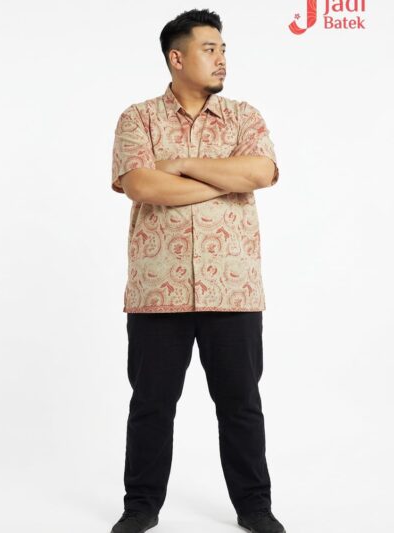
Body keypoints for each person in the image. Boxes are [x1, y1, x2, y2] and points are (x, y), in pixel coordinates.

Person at [109, 8, 286, 533]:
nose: (222, 58)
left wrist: (182, 167)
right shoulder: (138, 119)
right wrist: (224, 181)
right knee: (151, 405)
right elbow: (141, 185)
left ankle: (254, 507)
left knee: (241, 405)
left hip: (232, 289)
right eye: (210, 49)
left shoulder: (244, 117)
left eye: (224, 49)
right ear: (177, 57)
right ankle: (140, 507)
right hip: (156, 291)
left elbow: (261, 171)